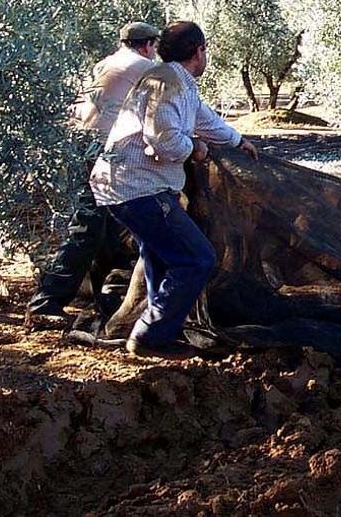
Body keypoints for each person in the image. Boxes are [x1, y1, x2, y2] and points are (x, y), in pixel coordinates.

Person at [89, 21, 258, 358]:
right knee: (197, 258)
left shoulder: (176, 81)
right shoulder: (166, 83)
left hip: (133, 186)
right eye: (205, 50)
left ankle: (159, 331)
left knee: (160, 257)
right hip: (137, 188)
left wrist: (238, 141)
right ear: (198, 50)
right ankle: (150, 336)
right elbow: (165, 140)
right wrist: (194, 148)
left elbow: (205, 120)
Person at [25, 21, 161, 328]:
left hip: (81, 148)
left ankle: (110, 298)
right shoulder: (143, 67)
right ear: (148, 45)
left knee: (109, 229)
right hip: (104, 153)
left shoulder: (106, 63)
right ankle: (46, 301)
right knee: (88, 228)